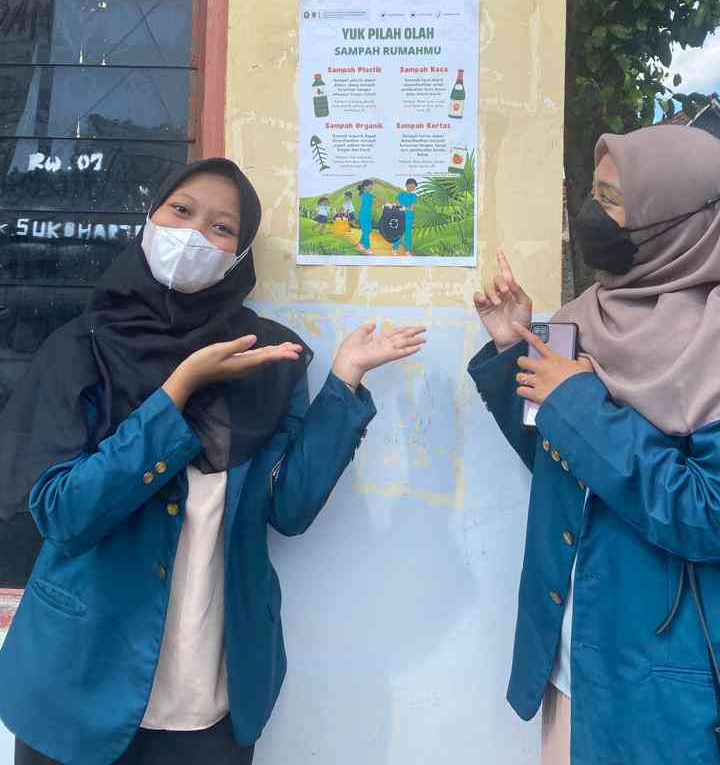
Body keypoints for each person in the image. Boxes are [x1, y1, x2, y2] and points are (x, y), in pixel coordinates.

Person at [0, 157, 426, 765]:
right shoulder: (79, 349)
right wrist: (177, 392)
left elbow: (290, 507)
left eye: (222, 228)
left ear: (239, 254)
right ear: (150, 220)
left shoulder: (268, 356)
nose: (197, 235)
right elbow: (64, 514)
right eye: (182, 211)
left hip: (211, 697)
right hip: (77, 683)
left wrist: (345, 382)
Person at [467, 124, 720, 764]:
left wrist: (577, 403)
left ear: (675, 221)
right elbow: (567, 470)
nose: (591, 215)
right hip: (575, 658)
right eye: (595, 192)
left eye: (611, 199)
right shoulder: (588, 315)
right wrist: (511, 350)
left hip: (672, 686)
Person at [392, 178, 418, 256]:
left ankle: (407, 250)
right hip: (399, 216)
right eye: (411, 186)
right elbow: (396, 204)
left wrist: (404, 208)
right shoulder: (401, 194)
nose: (412, 188)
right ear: (406, 185)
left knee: (408, 234)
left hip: (408, 217)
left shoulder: (413, 196)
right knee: (398, 233)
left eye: (414, 187)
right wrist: (397, 207)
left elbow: (412, 208)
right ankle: (394, 248)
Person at [356, 179, 375, 254]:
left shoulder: (369, 195)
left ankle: (360, 243)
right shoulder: (363, 195)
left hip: (368, 215)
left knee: (369, 230)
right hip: (363, 215)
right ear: (365, 186)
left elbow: (372, 203)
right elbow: (368, 203)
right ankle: (367, 248)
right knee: (366, 232)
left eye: (372, 185)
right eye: (370, 185)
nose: (372, 187)